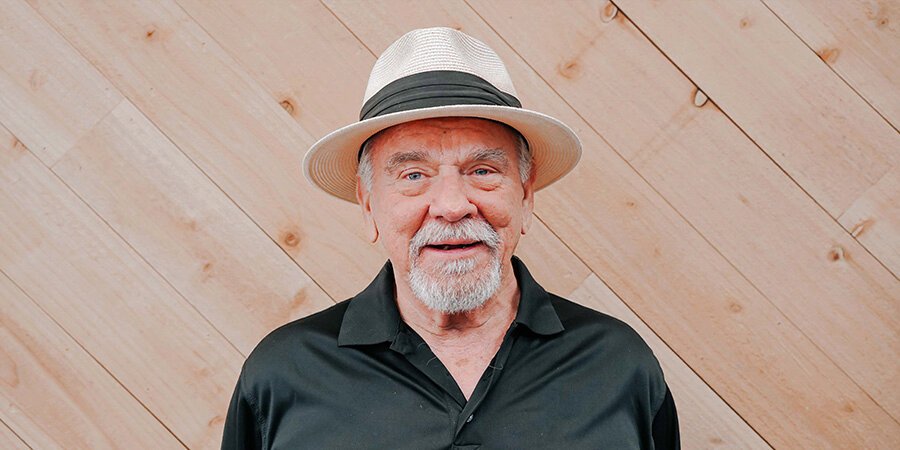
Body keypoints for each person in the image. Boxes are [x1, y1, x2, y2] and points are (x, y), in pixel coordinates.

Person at [222, 27, 679, 449]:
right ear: (368, 204)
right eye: (414, 174)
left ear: (525, 194)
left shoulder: (618, 366)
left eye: (482, 171)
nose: (452, 205)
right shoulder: (282, 376)